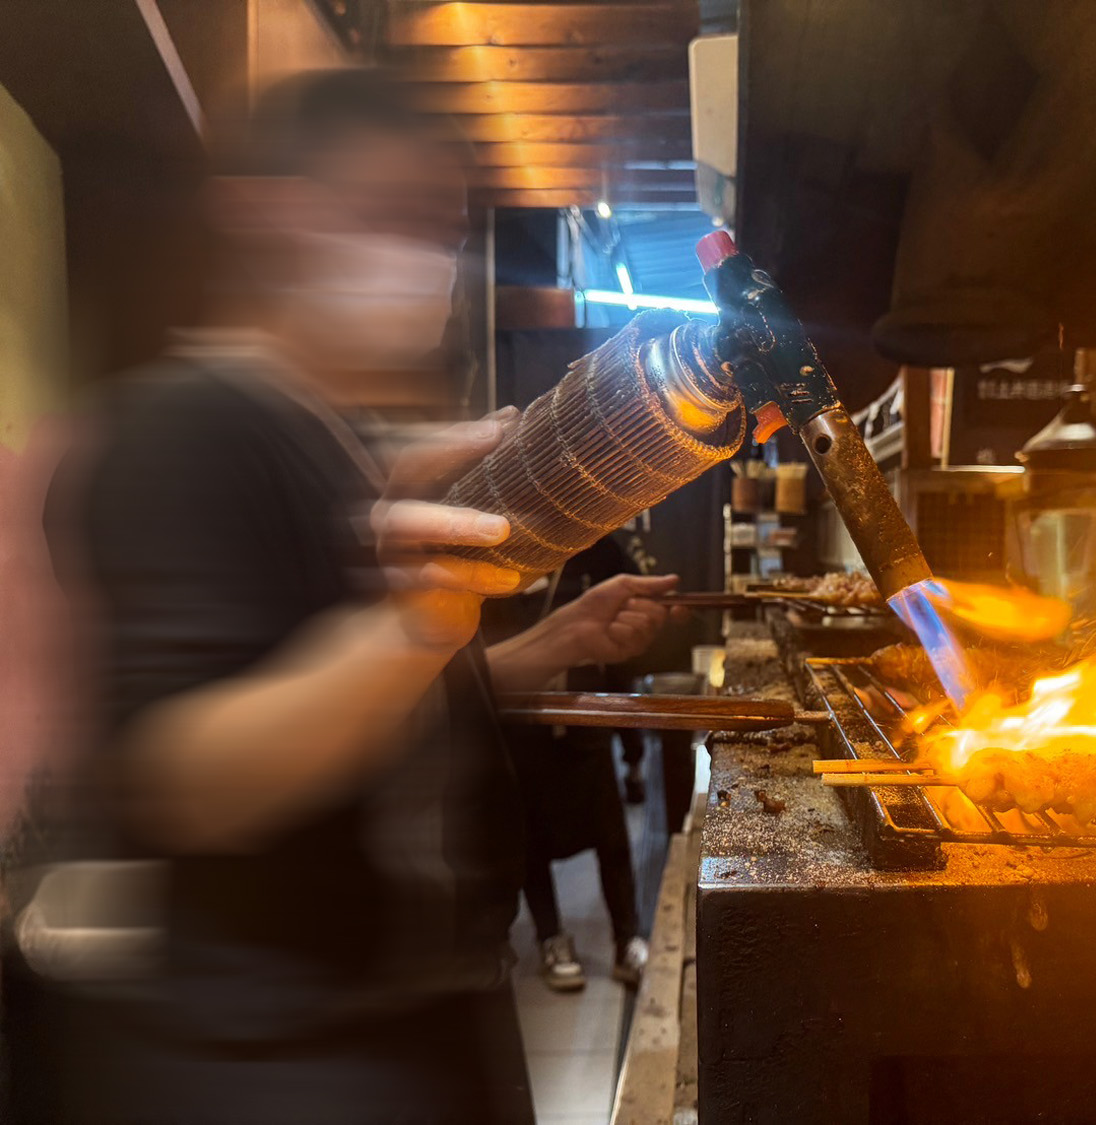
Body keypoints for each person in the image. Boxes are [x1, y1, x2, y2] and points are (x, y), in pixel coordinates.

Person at [35, 68, 679, 1124]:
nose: (425, 262)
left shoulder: (332, 437)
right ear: (262, 215)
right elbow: (188, 776)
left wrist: (549, 640)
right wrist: (412, 626)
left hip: (418, 1016)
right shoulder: (184, 429)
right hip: (274, 1054)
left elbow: (378, 713)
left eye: (442, 228)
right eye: (388, 219)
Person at [497, 535, 651, 992]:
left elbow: (628, 619)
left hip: (586, 712)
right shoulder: (504, 546)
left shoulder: (599, 547)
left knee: (610, 832)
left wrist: (632, 746)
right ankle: (551, 937)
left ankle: (626, 938)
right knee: (530, 839)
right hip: (519, 720)